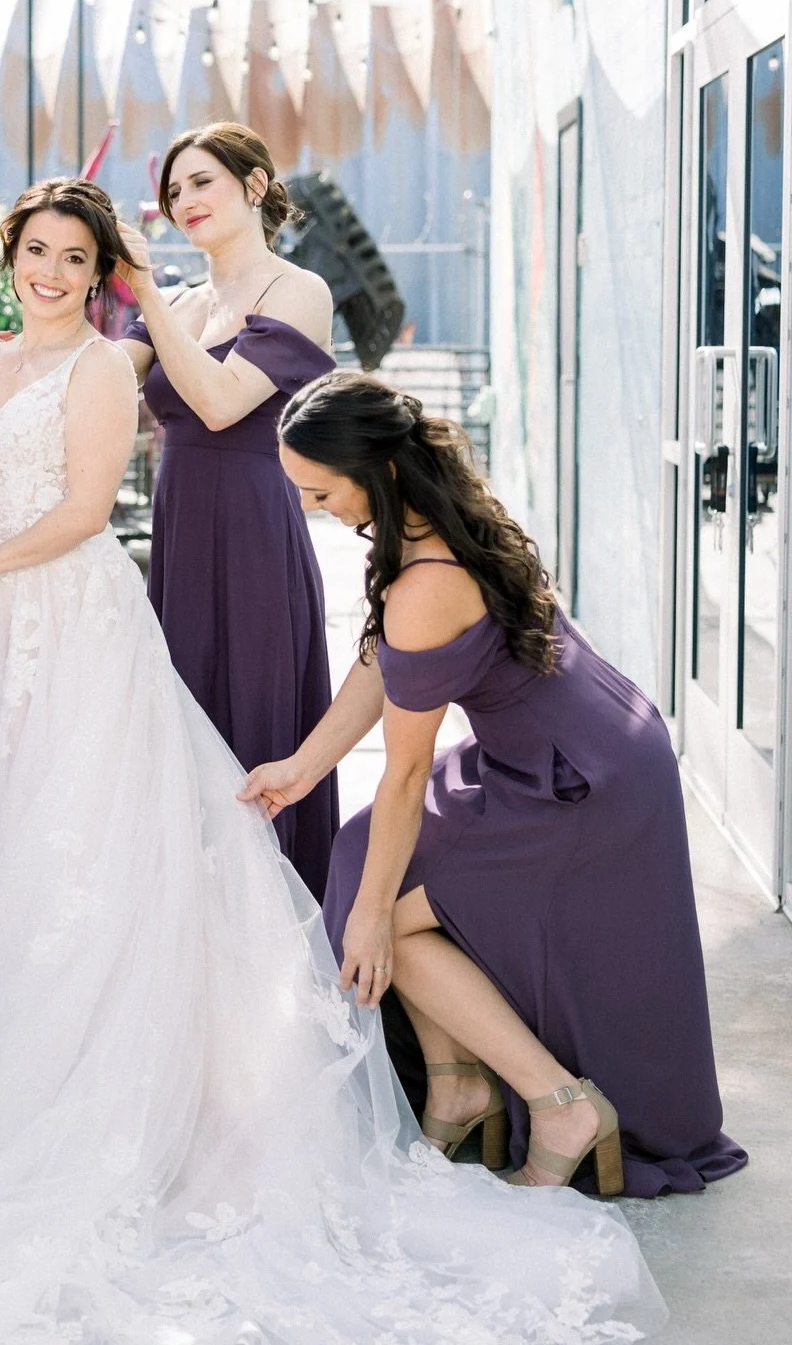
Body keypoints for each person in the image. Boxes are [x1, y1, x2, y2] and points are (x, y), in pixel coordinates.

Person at [0, 178, 662, 1342]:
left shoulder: (100, 367)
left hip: (71, 621)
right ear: (8, 257)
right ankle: (4, 1071)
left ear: (98, 275)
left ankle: (111, 1095)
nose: (51, 274)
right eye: (35, 252)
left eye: (75, 260)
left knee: (87, 846)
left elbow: (84, 511)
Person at [244, 370, 747, 1199]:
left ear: (377, 471)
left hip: (575, 786)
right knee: (363, 850)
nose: (311, 508)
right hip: (583, 741)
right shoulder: (434, 516)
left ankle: (560, 1105)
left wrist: (369, 922)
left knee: (389, 929)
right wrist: (305, 766)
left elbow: (406, 773)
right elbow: (387, 659)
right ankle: (461, 1084)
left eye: (319, 491)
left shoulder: (428, 578)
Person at [117, 122, 341, 896]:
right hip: (179, 540)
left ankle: (274, 940)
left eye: (201, 182)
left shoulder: (298, 292)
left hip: (253, 536)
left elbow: (217, 403)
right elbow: (104, 384)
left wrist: (141, 289)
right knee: (181, 731)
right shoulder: (177, 301)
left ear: (253, 185)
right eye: (173, 191)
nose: (184, 202)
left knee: (251, 724)